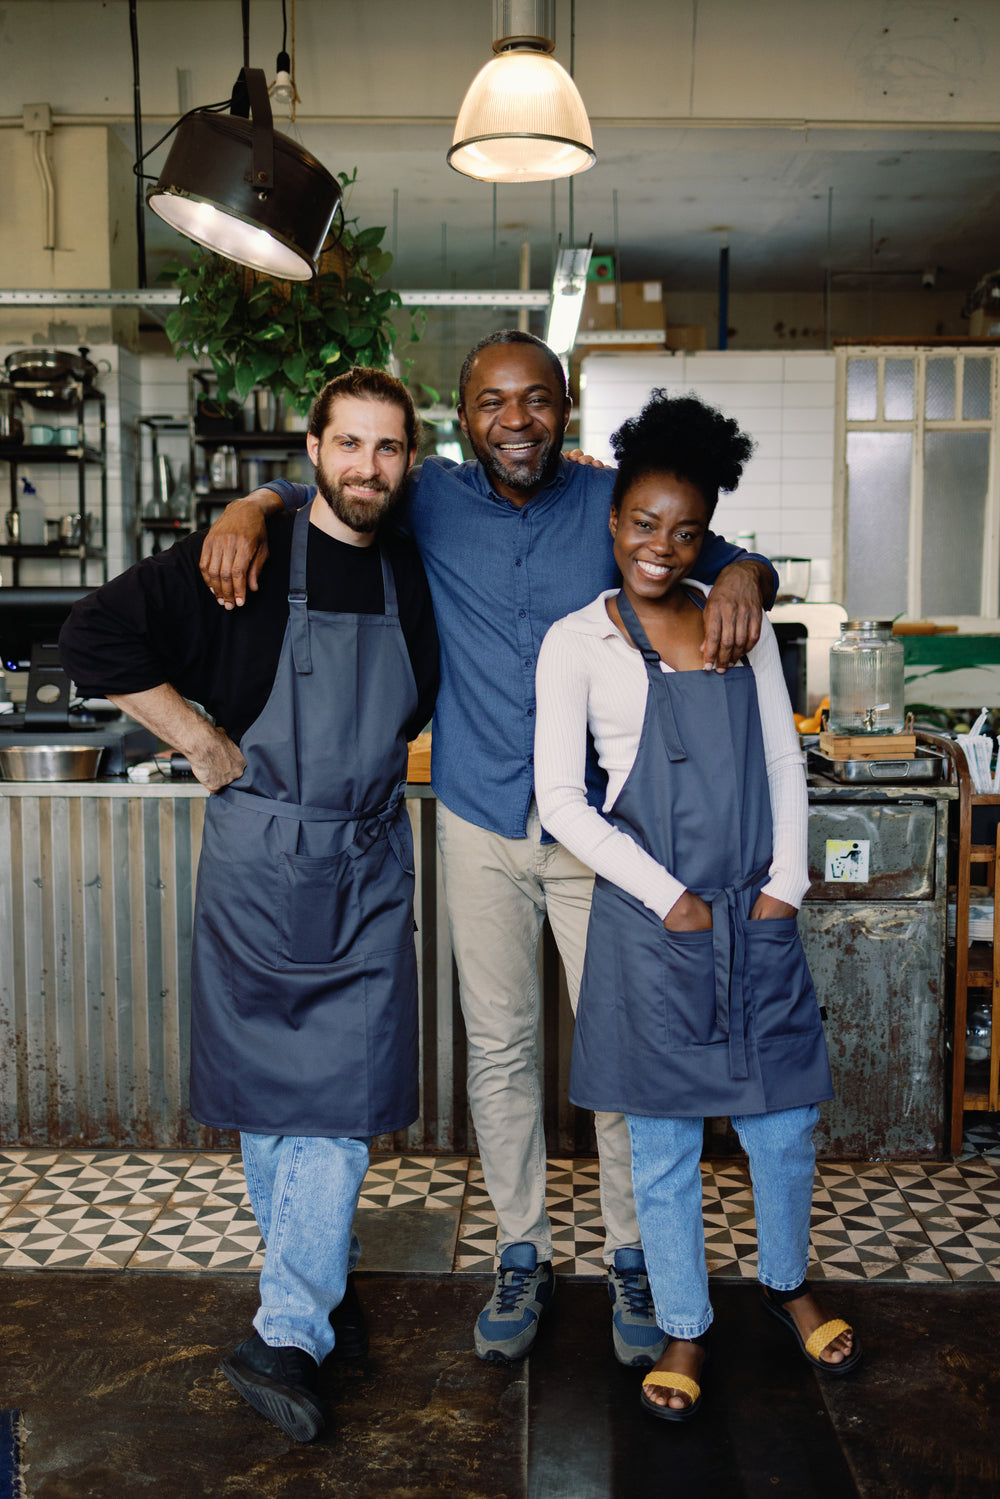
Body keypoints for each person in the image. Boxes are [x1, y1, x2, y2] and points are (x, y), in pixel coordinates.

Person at [196, 330, 777, 1369]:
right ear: (460, 417)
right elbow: (334, 486)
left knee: (626, 1059)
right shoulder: (429, 496)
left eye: (538, 399)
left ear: (566, 407)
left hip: (605, 831)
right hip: (475, 816)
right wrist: (254, 503)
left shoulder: (606, 506)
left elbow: (700, 546)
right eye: (494, 402)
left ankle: (633, 1256)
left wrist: (751, 577)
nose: (518, 420)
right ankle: (523, 1247)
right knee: (500, 1047)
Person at [59, 368, 438, 1443]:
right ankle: (297, 1312)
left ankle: (294, 1309)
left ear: (407, 460)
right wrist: (195, 737)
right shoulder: (251, 560)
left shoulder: (413, 566)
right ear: (313, 450)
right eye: (349, 443)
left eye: (389, 447)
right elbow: (95, 636)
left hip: (363, 856)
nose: (369, 466)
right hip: (262, 854)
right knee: (278, 1100)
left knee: (337, 1102)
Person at [533, 390, 861, 1421]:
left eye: (683, 530)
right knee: (664, 1138)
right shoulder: (576, 641)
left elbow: (778, 756)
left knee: (784, 1120)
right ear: (612, 516)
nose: (659, 548)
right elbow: (559, 799)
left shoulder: (738, 619)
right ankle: (684, 1319)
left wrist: (785, 884)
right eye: (640, 523)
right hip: (652, 919)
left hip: (752, 908)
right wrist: (668, 896)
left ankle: (784, 1282)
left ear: (705, 528)